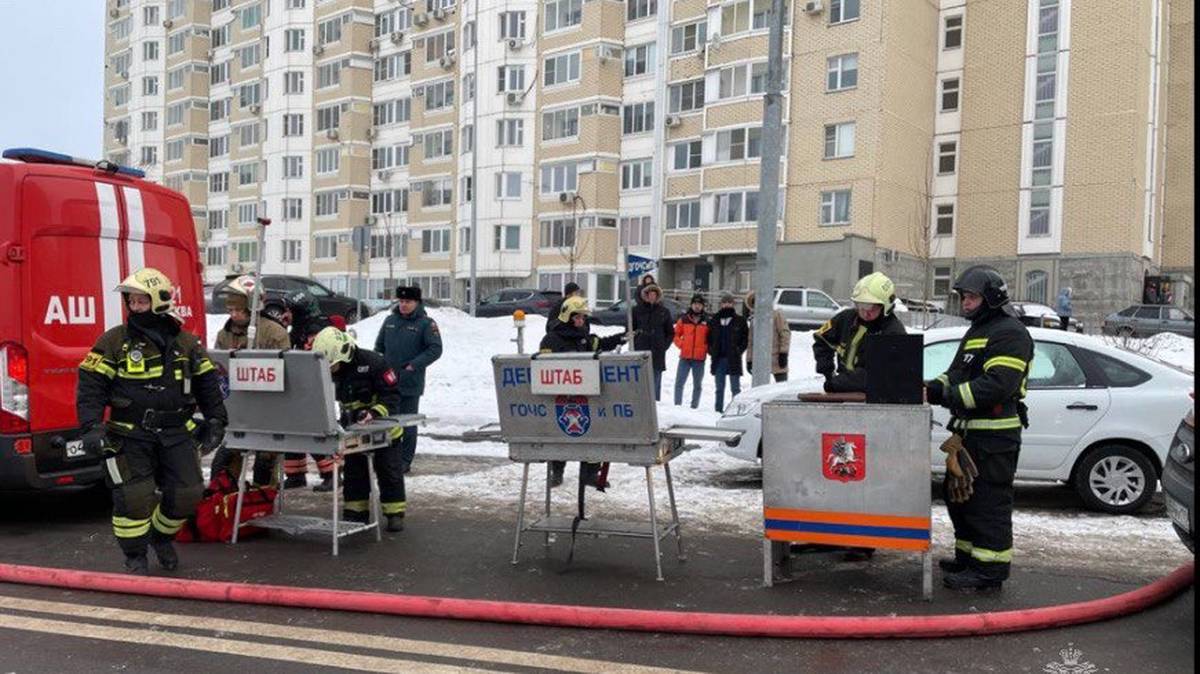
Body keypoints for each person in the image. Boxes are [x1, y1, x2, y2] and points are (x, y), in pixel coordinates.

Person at [77, 268, 228, 574]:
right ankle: (134, 554)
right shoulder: (114, 342)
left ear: (160, 301)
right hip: (130, 434)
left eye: (141, 301)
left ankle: (160, 538)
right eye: (131, 301)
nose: (134, 307)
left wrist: (216, 420)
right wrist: (91, 427)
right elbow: (91, 387)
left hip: (176, 432)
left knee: (188, 494)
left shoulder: (187, 343)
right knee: (134, 498)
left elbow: (208, 384)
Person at [926, 266, 1033, 592]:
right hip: (969, 434)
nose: (965, 303)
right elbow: (956, 373)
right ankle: (968, 559)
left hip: (995, 435)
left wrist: (947, 395)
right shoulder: (977, 332)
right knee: (961, 499)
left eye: (971, 297)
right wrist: (931, 387)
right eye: (963, 297)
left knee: (988, 502)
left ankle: (990, 570)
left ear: (991, 298)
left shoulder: (1010, 333)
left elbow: (996, 386)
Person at [312, 327, 408, 532]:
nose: (330, 370)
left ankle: (394, 513)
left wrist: (373, 413)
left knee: (389, 472)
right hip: (353, 431)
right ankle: (356, 512)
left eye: (333, 365)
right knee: (355, 473)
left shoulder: (374, 363)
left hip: (385, 431)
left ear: (344, 354)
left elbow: (392, 396)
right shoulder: (333, 369)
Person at [210, 276, 291, 487]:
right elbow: (220, 370)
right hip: (238, 411)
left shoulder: (275, 334)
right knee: (224, 461)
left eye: (239, 310)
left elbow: (287, 373)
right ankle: (223, 500)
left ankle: (262, 502)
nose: (234, 315)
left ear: (253, 307)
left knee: (265, 464)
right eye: (230, 311)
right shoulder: (224, 335)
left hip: (269, 411)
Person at [539, 297, 628, 487]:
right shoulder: (551, 339)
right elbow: (544, 368)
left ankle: (590, 474)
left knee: (594, 434)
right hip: (561, 398)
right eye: (578, 317)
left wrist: (622, 337)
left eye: (583, 318)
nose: (582, 321)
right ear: (568, 317)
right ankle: (557, 471)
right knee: (560, 435)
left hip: (586, 397)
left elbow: (599, 345)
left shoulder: (583, 337)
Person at [374, 286, 443, 474]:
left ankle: (405, 460)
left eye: (408, 302)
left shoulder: (426, 324)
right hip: (387, 382)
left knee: (407, 423)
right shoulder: (390, 321)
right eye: (401, 301)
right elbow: (379, 347)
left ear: (417, 303)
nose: (403, 305)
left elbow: (435, 349)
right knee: (387, 421)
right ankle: (387, 456)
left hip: (410, 382)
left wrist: (414, 365)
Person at [813, 272, 907, 393]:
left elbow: (876, 374)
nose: (864, 312)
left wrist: (836, 383)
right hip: (842, 391)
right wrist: (826, 369)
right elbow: (822, 340)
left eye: (870, 307)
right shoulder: (846, 318)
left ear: (886, 306)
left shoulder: (893, 333)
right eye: (860, 305)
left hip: (873, 399)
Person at [631, 283, 675, 401]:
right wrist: (636, 341)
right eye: (649, 294)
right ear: (645, 295)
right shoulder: (637, 310)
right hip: (641, 349)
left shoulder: (664, 311)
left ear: (657, 296)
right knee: (641, 379)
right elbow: (630, 329)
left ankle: (656, 405)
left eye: (654, 294)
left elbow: (670, 332)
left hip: (657, 351)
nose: (652, 296)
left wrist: (663, 345)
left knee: (656, 380)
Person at [706, 294, 749, 412]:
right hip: (719, 359)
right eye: (725, 302)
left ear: (733, 304)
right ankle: (718, 410)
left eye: (729, 302)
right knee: (719, 388)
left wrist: (739, 350)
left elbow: (745, 338)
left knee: (735, 388)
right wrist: (711, 350)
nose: (727, 305)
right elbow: (708, 338)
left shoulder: (740, 320)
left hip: (733, 358)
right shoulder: (714, 320)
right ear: (721, 304)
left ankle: (735, 411)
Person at [744, 291, 791, 383]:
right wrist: (749, 360)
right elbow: (751, 342)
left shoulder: (776, 315)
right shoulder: (754, 320)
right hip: (760, 360)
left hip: (777, 359)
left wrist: (783, 353)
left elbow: (785, 334)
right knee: (761, 390)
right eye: (754, 302)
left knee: (781, 388)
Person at [673, 294, 710, 408]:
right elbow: (675, 334)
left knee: (697, 384)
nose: (697, 306)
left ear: (703, 306)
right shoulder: (684, 319)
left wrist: (705, 348)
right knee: (679, 383)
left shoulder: (707, 321)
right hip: (685, 357)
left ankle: (694, 406)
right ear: (691, 305)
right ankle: (677, 405)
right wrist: (682, 345)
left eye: (699, 304)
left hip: (699, 358)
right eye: (695, 304)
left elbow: (711, 338)